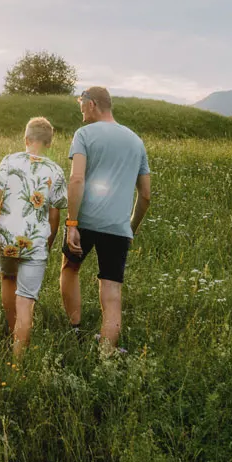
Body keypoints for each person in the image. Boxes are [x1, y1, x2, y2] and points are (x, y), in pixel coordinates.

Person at [61, 86, 151, 353]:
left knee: (70, 268)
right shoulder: (136, 141)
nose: (80, 111)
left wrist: (72, 224)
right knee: (112, 293)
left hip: (85, 221)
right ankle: (107, 355)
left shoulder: (84, 135)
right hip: (118, 229)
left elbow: (77, 179)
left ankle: (75, 331)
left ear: (92, 104)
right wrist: (130, 228)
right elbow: (145, 195)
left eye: (81, 104)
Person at [0, 116, 68, 358]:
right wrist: (47, 245)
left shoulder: (9, 161)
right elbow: (54, 214)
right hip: (35, 241)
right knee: (26, 300)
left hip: (7, 237)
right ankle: (18, 360)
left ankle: (12, 333)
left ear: (26, 139)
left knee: (8, 279)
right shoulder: (55, 170)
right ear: (49, 143)